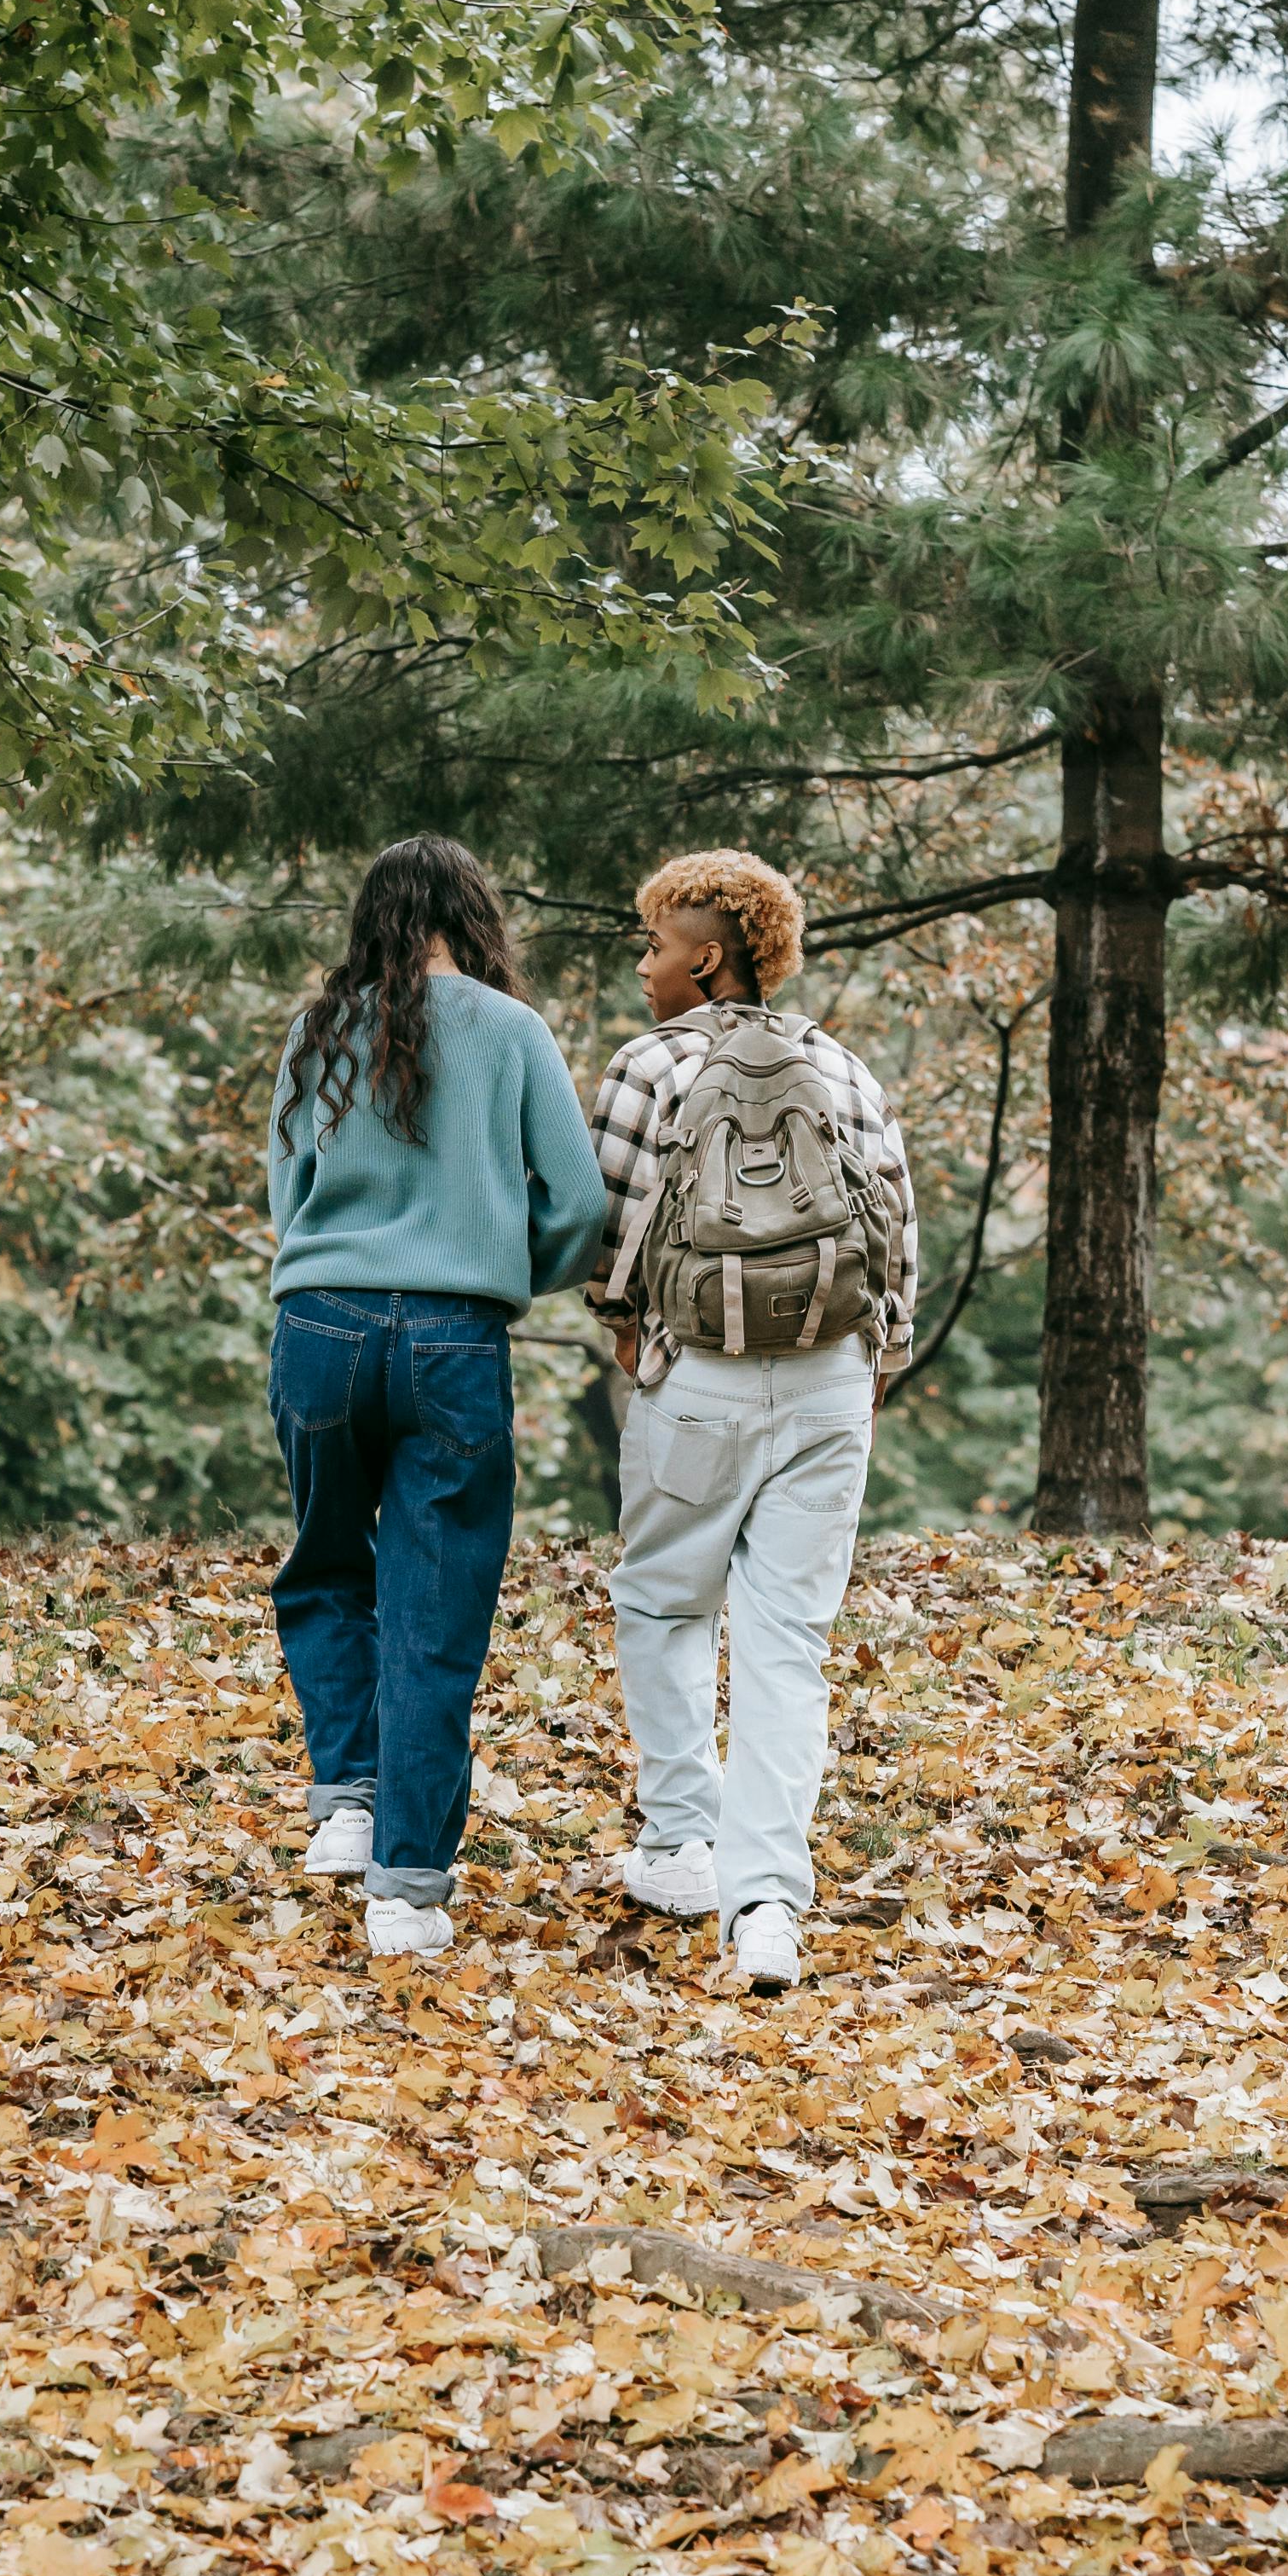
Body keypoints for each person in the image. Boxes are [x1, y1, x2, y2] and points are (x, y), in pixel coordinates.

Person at [266, 837, 609, 1963]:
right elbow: (581, 1200)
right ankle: (405, 1891)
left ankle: (347, 1797)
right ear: (477, 914)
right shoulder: (514, 1035)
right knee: (435, 1608)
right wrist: (504, 1258)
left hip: (320, 1326)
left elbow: (290, 1196)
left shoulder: (317, 1030)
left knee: (325, 1567)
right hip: (455, 1336)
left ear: (372, 920)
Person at [587, 848, 916, 1992]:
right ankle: (766, 1908)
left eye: (657, 945)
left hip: (700, 1378)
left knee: (663, 1598)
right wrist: (877, 1360)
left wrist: (626, 1326)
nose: (645, 964)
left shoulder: (647, 1067)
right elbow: (894, 1228)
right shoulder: (843, 1067)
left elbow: (611, 1227)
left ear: (708, 958)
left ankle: (683, 1839)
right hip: (830, 1377)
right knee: (789, 1647)